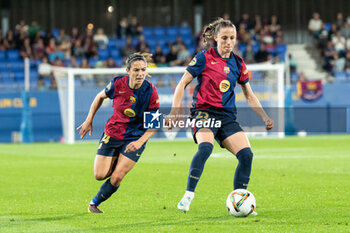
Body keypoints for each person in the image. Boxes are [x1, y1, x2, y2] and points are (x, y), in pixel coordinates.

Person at [165, 18, 273, 213]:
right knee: (205, 148)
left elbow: (249, 95)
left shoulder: (238, 63)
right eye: (224, 38)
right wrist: (174, 112)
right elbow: (182, 84)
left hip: (226, 117)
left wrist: (264, 117)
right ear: (215, 38)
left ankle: (239, 202)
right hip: (204, 113)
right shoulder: (204, 58)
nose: (228, 42)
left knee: (246, 155)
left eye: (232, 38)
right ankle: (187, 197)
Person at [77, 53, 159, 213]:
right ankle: (116, 161)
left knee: (117, 177)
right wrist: (89, 119)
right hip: (112, 133)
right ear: (128, 70)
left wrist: (139, 142)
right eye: (136, 70)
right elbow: (99, 97)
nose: (140, 74)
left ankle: (94, 204)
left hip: (135, 139)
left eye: (143, 70)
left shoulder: (151, 92)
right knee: (99, 175)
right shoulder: (117, 83)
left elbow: (153, 125)